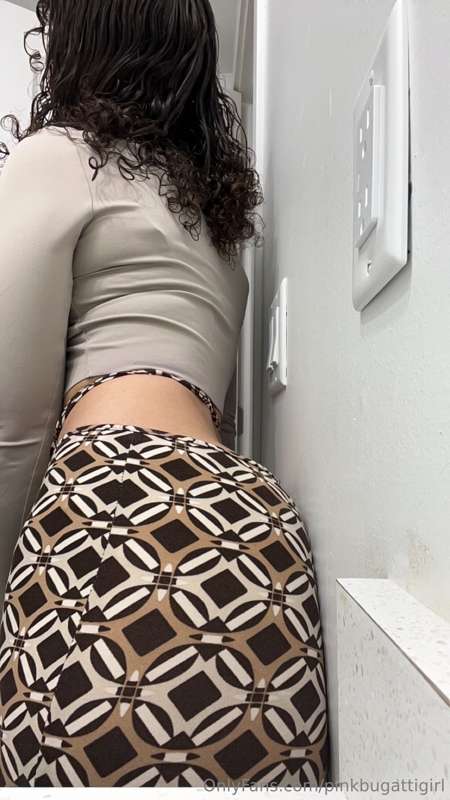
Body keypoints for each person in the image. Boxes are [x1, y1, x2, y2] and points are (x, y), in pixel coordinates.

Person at [0, 0, 328, 788]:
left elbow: (14, 419)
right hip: (262, 540)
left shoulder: (60, 158)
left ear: (81, 42)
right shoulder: (216, 224)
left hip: (112, 511)